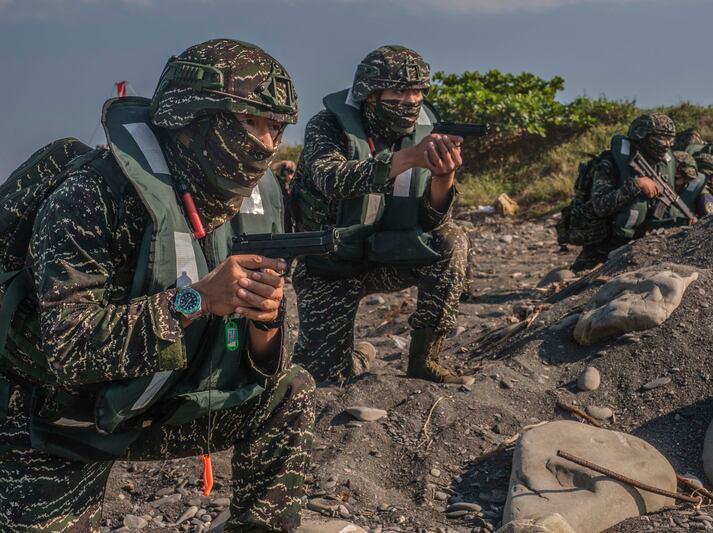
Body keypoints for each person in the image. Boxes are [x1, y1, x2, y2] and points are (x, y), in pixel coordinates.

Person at [0, 39, 314, 532]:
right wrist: (197, 300)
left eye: (275, 128)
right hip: (58, 421)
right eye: (250, 123)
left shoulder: (257, 204)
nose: (267, 144)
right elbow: (69, 350)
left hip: (163, 404)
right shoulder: (92, 197)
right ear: (194, 120)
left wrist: (265, 319)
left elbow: (267, 364)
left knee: (292, 391)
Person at [290, 45, 472, 385]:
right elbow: (330, 179)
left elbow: (433, 222)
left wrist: (443, 177)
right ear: (370, 95)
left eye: (418, 91)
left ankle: (424, 359)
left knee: (452, 240)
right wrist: (408, 158)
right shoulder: (328, 125)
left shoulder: (426, 130)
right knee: (322, 378)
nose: (410, 100)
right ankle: (360, 357)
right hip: (329, 265)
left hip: (385, 256)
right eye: (399, 91)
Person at [568, 113, 681, 271]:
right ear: (641, 136)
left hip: (643, 244)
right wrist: (637, 184)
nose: (667, 144)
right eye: (661, 138)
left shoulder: (661, 165)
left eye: (671, 139)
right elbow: (600, 205)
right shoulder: (609, 163)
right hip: (603, 240)